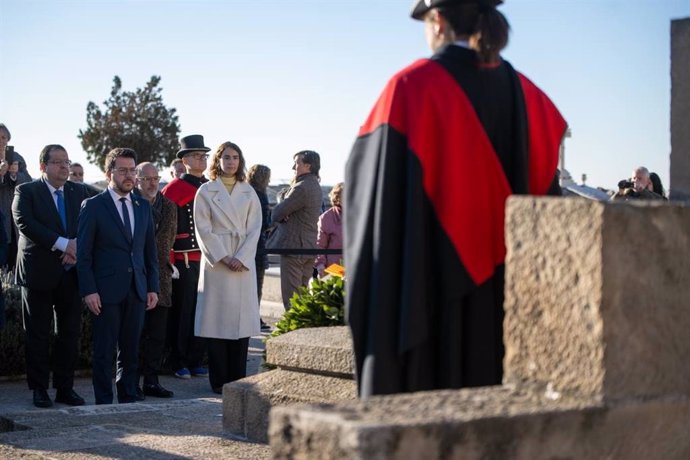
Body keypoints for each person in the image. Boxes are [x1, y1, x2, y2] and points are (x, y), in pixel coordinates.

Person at [344, 0, 567, 398]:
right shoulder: (531, 96)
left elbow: (375, 200)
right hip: (510, 305)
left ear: (438, 20)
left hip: (427, 299)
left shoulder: (411, 88)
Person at [77, 148, 159, 404]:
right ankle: (103, 401)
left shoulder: (143, 206)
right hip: (104, 292)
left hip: (137, 288)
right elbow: (84, 254)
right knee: (104, 350)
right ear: (108, 172)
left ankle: (128, 396)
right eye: (122, 170)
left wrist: (152, 287)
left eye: (132, 170)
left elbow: (150, 253)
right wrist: (89, 290)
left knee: (131, 349)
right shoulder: (93, 206)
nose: (129, 176)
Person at [12, 144, 90, 408]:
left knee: (70, 333)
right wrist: (62, 243)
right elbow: (25, 222)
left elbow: (95, 218)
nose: (65, 167)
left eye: (67, 162)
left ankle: (65, 388)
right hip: (38, 273)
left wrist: (77, 246)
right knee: (38, 333)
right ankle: (39, 389)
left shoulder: (80, 191)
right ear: (43, 166)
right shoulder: (27, 191)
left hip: (71, 273)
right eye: (58, 162)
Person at [194, 142, 262, 394]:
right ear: (218, 161)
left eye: (235, 157)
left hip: (242, 263)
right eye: (226, 157)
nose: (231, 162)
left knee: (241, 324)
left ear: (240, 161)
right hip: (218, 265)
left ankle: (238, 378)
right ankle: (218, 380)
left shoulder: (248, 191)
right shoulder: (206, 190)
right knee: (217, 323)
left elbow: (255, 228)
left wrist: (241, 257)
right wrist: (224, 256)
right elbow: (202, 228)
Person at [161, 135, 210, 379]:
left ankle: (196, 358)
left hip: (208, 259)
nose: (202, 159)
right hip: (184, 259)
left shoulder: (211, 186)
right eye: (196, 155)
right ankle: (177, 360)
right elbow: (165, 228)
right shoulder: (173, 189)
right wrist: (169, 261)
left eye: (204, 156)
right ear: (185, 160)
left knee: (202, 311)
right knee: (183, 312)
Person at [135, 162, 177, 398]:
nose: (152, 183)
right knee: (135, 334)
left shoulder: (169, 206)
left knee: (157, 334)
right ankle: (132, 381)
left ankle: (151, 380)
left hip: (161, 277)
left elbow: (165, 242)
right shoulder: (131, 204)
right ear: (138, 179)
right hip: (134, 277)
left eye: (155, 178)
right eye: (147, 178)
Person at [267, 150, 322, 310]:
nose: (293, 167)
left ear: (308, 166)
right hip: (308, 247)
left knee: (292, 300)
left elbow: (276, 213)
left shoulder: (301, 187)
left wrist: (284, 210)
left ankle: (292, 333)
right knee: (303, 298)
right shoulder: (314, 185)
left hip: (294, 249)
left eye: (297, 163)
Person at [0, 123, 31, 271]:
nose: (1, 140)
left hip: (15, 218)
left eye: (3, 137)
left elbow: (28, 182)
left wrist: (14, 174)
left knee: (15, 260)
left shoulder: (17, 157)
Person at [248, 164, 272, 331]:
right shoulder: (261, 196)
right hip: (258, 248)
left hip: (244, 247)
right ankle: (254, 318)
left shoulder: (246, 192)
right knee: (256, 286)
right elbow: (264, 224)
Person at [315, 182, 344, 277]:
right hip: (334, 269)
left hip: (356, 266)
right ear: (337, 198)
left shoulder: (361, 216)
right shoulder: (326, 218)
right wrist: (320, 264)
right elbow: (320, 245)